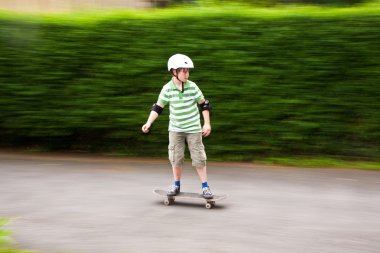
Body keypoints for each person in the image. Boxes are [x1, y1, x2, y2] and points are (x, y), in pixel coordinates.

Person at [141, 54, 213, 199]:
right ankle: (176, 185)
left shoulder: (192, 87)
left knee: (199, 157)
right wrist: (148, 123)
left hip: (193, 128)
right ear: (174, 71)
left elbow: (204, 104)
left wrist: (207, 123)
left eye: (188, 70)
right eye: (184, 70)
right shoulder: (167, 89)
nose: (187, 73)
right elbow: (158, 108)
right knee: (176, 157)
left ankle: (205, 187)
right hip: (175, 129)